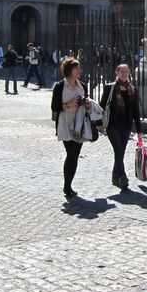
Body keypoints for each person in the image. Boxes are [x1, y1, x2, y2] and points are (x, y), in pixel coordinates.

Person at [50, 57, 91, 199]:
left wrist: (87, 103)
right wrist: (69, 104)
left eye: (79, 68)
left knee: (75, 155)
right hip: (65, 123)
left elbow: (86, 102)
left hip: (79, 123)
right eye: (76, 69)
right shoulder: (60, 86)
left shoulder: (83, 86)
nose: (79, 71)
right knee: (71, 153)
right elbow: (54, 107)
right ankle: (67, 186)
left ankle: (68, 185)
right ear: (69, 70)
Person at [98, 63, 143, 190]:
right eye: (121, 71)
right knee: (118, 150)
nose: (124, 74)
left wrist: (139, 131)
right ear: (116, 73)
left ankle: (115, 176)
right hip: (112, 125)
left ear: (129, 74)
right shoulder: (110, 88)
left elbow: (136, 112)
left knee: (120, 152)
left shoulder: (132, 90)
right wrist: (98, 122)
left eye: (126, 71)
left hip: (126, 126)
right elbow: (102, 105)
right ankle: (123, 177)